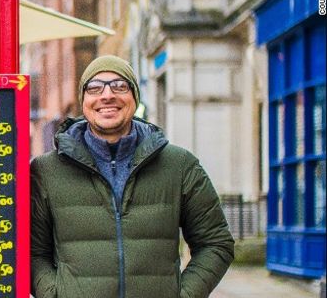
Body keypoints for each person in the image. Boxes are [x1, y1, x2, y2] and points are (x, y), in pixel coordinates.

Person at [30, 55, 234, 298]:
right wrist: (55, 294)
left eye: (119, 86)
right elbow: (33, 252)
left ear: (134, 97)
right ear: (83, 100)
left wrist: (184, 295)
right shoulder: (47, 171)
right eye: (94, 88)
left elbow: (216, 243)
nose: (107, 95)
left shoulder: (179, 165)